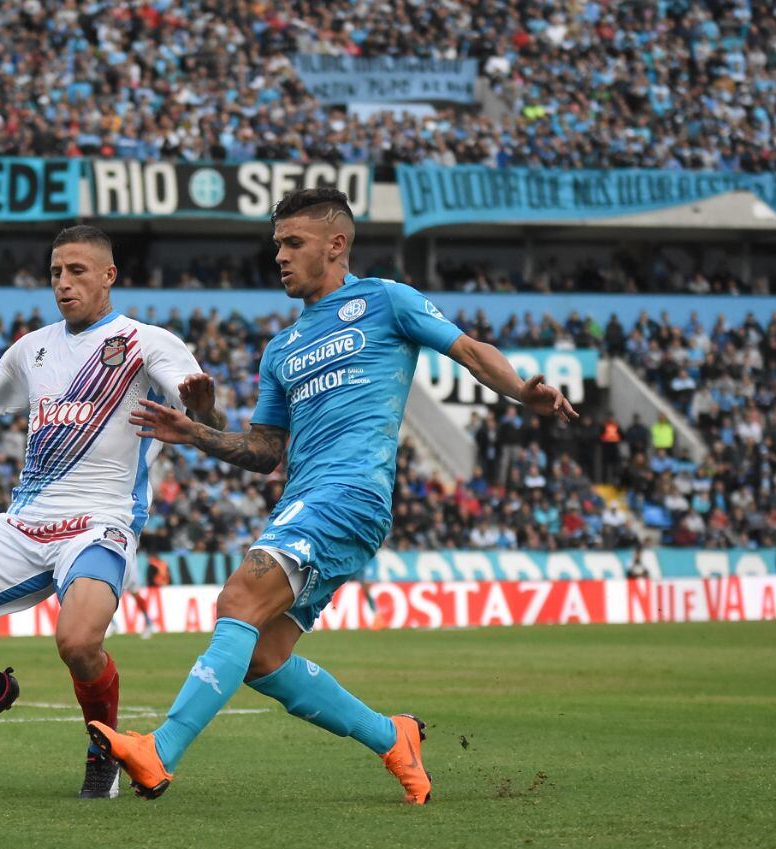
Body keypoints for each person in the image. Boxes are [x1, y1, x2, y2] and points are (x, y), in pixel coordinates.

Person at [89, 188, 578, 804]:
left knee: (239, 596)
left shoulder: (384, 300)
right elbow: (266, 453)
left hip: (351, 493)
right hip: (306, 497)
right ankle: (394, 737)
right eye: (278, 246)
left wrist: (520, 392)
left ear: (336, 244)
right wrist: (196, 433)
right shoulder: (281, 350)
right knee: (264, 656)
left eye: (294, 243)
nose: (281, 257)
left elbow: (471, 350)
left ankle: (160, 751)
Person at [0, 225, 220, 799]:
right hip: (24, 521)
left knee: (79, 642)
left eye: (77, 271)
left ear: (109, 276)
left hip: (100, 522)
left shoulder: (145, 342)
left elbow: (196, 403)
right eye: (56, 272)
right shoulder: (32, 348)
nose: (64, 283)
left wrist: (200, 408)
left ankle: (103, 746)